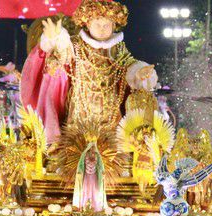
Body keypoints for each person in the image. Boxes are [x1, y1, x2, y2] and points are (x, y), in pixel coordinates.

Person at [21, 0, 158, 143]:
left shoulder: (118, 50)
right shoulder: (76, 45)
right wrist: (56, 39)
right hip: (79, 114)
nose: (102, 29)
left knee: (113, 156)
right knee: (75, 153)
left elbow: (129, 65)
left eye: (107, 25)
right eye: (97, 24)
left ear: (114, 25)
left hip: (110, 117)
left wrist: (139, 72)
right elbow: (62, 56)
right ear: (87, 23)